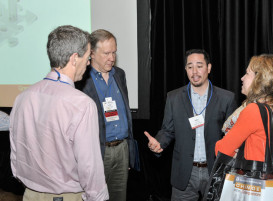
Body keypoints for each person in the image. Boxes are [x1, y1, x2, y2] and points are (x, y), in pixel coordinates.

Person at [9, 25, 109, 201]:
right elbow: (89, 167)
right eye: (87, 57)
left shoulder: (22, 97)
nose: (88, 63)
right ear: (74, 58)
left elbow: (16, 155)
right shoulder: (82, 104)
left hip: (29, 195)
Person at [144, 49, 237, 200]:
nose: (195, 71)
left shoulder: (226, 98)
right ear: (185, 69)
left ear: (209, 68)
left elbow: (233, 137)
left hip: (215, 170)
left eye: (199, 66)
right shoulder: (173, 98)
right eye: (190, 66)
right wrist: (159, 142)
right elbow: (167, 130)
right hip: (184, 172)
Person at [76, 29, 139, 201]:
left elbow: (125, 112)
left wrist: (129, 155)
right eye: (106, 53)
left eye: (114, 52)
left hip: (122, 149)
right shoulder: (81, 79)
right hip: (97, 150)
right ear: (92, 54)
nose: (112, 58)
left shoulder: (119, 74)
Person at [215, 54, 273, 162]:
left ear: (259, 80)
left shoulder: (253, 110)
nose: (242, 78)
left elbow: (221, 150)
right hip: (267, 178)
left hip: (249, 178)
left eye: (247, 73)